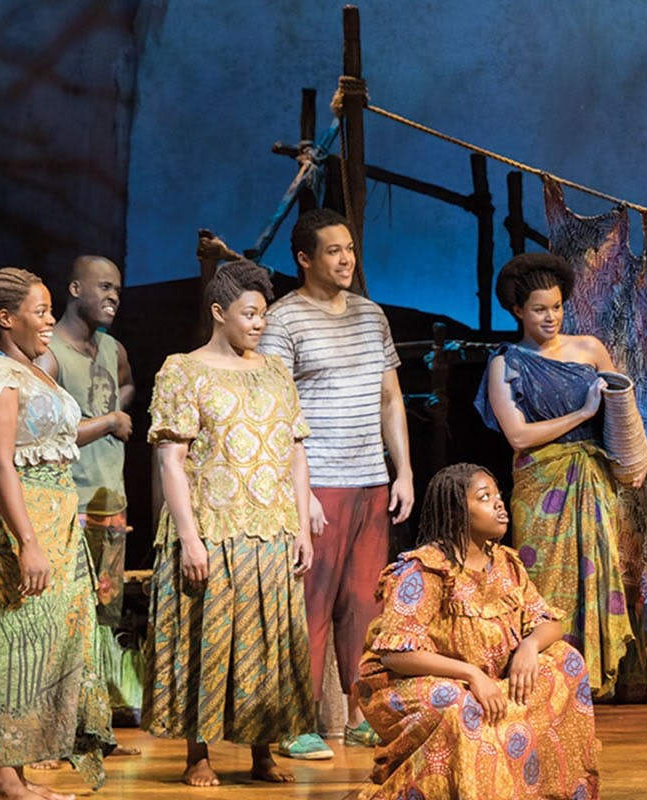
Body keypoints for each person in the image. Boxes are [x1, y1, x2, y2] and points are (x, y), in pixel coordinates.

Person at [143, 259, 315, 787]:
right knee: (206, 638)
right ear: (219, 312)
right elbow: (171, 459)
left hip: (271, 528)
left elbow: (295, 453)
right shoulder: (183, 369)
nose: (259, 323)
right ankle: (199, 754)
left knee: (269, 641)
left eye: (263, 313)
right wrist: (190, 538)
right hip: (211, 528)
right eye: (249, 313)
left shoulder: (275, 371)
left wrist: (302, 527)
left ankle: (263, 751)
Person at [0, 267, 116, 800]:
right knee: (4, 650)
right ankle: (2, 780)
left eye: (50, 310)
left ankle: (18, 775)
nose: (50, 320)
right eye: (40, 311)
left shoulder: (36, 371)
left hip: (57, 521)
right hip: (15, 526)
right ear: (6, 318)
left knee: (41, 652)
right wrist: (27, 541)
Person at [257, 207, 413, 759]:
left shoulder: (371, 316)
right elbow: (276, 409)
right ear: (304, 258)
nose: (346, 259)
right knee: (309, 606)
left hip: (369, 478)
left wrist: (404, 472)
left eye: (349, 248)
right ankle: (294, 719)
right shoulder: (283, 320)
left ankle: (360, 714)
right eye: (333, 250)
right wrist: (297, 496)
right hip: (316, 483)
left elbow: (390, 398)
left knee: (363, 605)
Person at [354, 463, 600, 799]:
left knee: (565, 661)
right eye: (485, 498)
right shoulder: (425, 569)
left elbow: (550, 621)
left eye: (498, 496)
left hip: (487, 678)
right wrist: (470, 675)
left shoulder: (506, 564)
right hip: (414, 682)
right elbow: (397, 655)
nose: (499, 504)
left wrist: (529, 646)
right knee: (461, 705)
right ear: (457, 513)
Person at [474, 252, 638, 696]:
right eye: (540, 309)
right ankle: (542, 686)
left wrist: (632, 459)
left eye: (558, 307)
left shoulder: (590, 349)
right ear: (518, 311)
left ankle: (585, 685)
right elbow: (519, 435)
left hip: (591, 478)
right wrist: (583, 411)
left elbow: (621, 410)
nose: (551, 317)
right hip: (540, 484)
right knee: (543, 583)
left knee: (594, 577)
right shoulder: (505, 364)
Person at [35, 255, 139, 751]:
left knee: (101, 618)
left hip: (108, 498)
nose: (113, 296)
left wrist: (116, 410)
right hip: (67, 503)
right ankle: (57, 729)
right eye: (103, 287)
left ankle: (90, 726)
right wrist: (108, 423)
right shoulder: (49, 353)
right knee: (63, 618)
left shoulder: (112, 348)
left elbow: (126, 383)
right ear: (75, 288)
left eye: (118, 288)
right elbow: (44, 431)